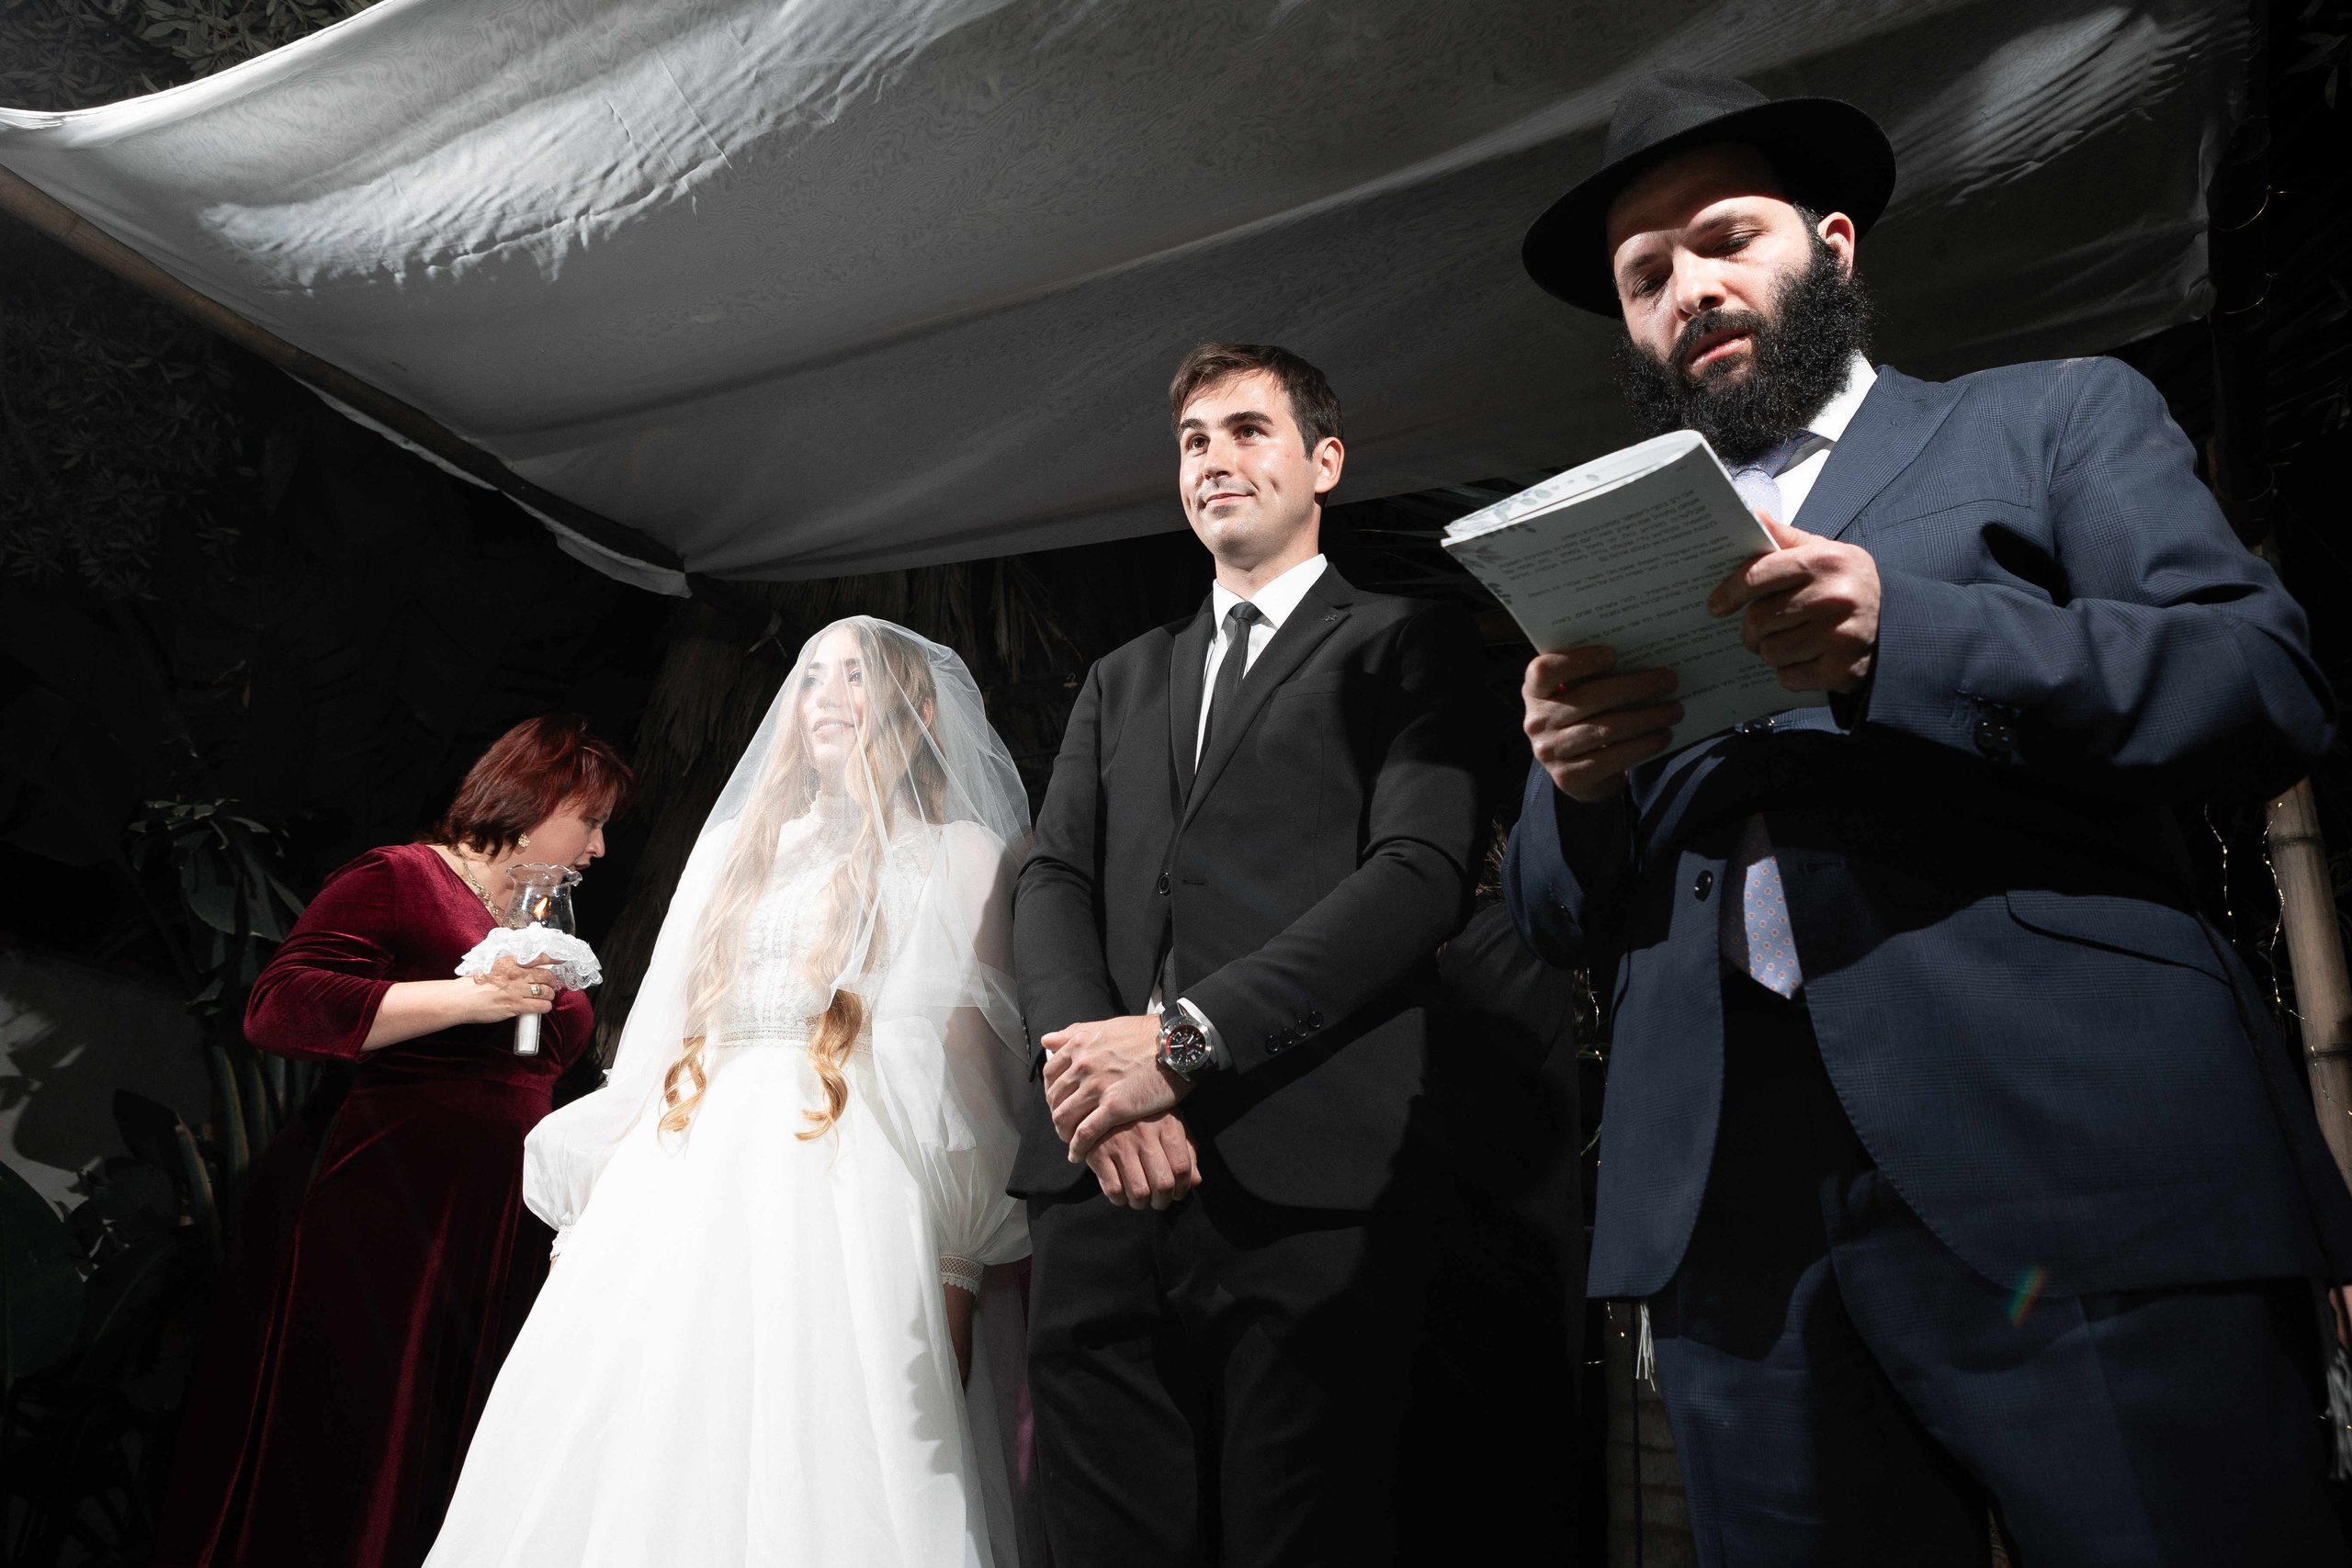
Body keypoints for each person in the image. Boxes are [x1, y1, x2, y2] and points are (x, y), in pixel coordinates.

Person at [1504, 70, 2352, 1562]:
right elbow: (1551, 912)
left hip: (2082, 1155)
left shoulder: (2052, 417)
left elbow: (2258, 679)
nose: (1690, 288)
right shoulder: (1607, 554)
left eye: (1727, 238)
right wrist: (1578, 784)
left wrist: (1909, 634)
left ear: (1833, 246)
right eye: (1649, 278)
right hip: (1734, 1227)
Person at [424, 618, 1035, 1568]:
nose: (827, 695)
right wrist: (594, 1212)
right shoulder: (745, 849)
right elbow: (668, 1031)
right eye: (811, 677)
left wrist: (957, 1261)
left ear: (916, 712)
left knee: (821, 1440)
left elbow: (966, 1068)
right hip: (683, 1175)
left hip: (843, 1185)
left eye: (857, 678)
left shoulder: (959, 856)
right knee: (639, 1438)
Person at [1012, 343, 1487, 1565]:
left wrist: (1179, 1043)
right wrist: (1095, 1080)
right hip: (1100, 1178)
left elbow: (1419, 874)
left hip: (1304, 1180)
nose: (1215, 459)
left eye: (1247, 430)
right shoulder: (1120, 678)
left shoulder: (1406, 643)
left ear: (1324, 461)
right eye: (1193, 440)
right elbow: (1053, 875)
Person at [154, 715, 635, 1568]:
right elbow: (281, 1004)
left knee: (457, 1444)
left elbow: (550, 1080)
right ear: (536, 800)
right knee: (364, 1424)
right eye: (590, 821)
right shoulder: (402, 878)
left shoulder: (541, 917)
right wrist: (466, 1000)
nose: (599, 848)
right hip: (397, 1201)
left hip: (507, 1226)